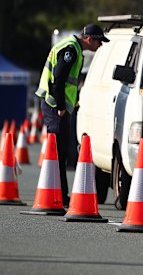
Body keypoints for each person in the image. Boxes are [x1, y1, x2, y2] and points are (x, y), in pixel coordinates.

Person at [35, 23, 109, 207]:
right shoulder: (71, 49)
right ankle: (57, 194)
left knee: (61, 150)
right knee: (58, 150)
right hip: (54, 104)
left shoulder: (72, 47)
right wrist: (60, 106)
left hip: (56, 105)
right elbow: (58, 79)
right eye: (99, 42)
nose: (100, 46)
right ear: (89, 39)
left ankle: (59, 193)